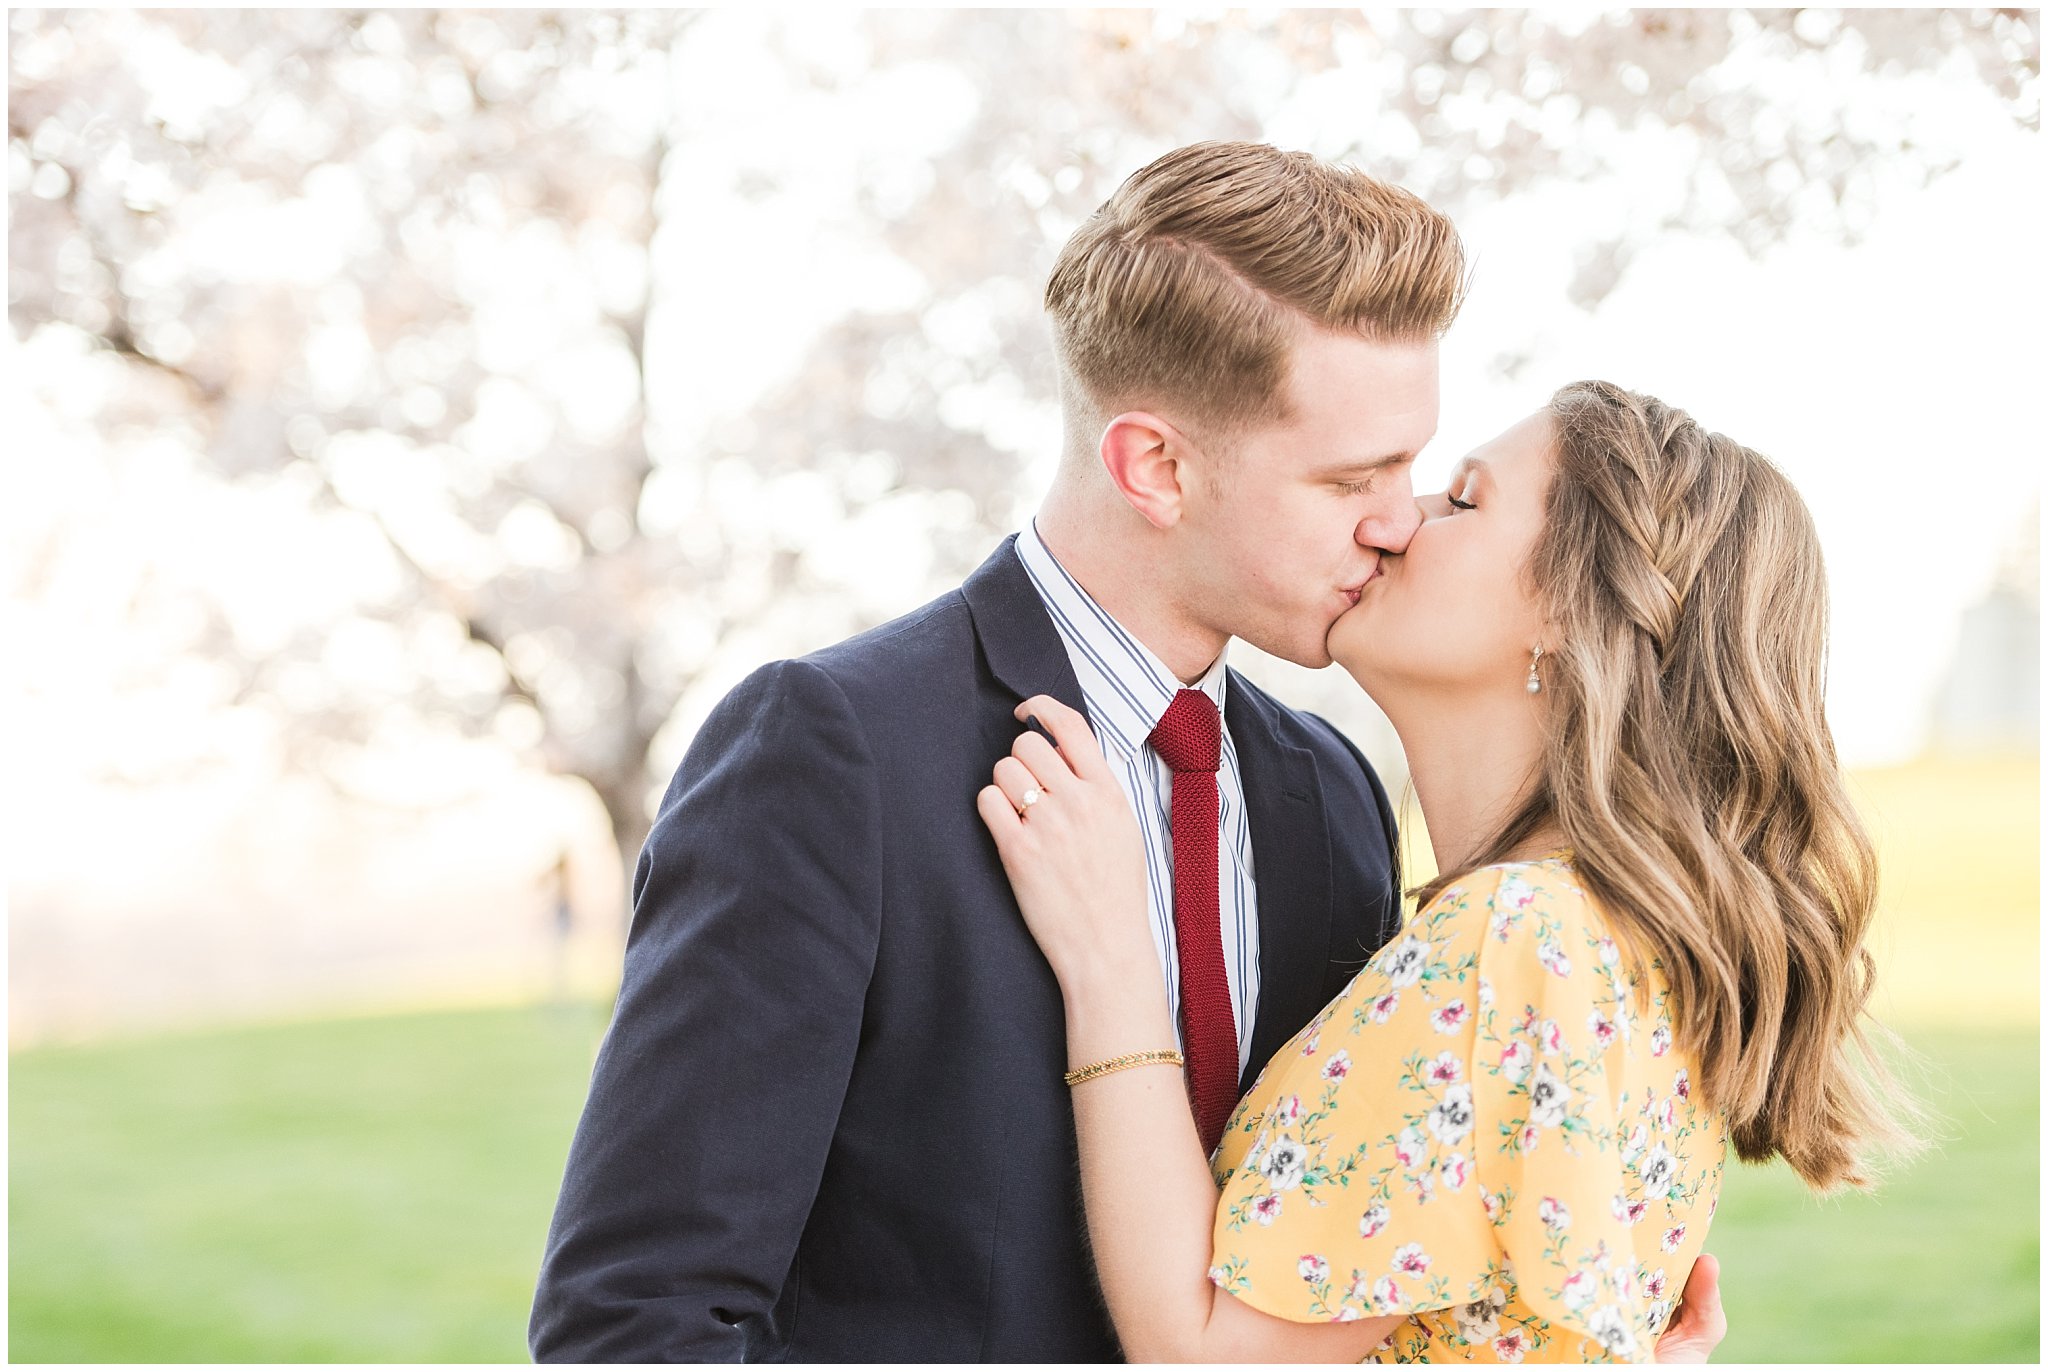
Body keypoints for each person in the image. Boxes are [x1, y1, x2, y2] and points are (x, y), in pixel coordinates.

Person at [529, 141, 1723, 1361]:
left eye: (1411, 468)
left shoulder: (1332, 796)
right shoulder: (839, 753)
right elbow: (637, 1318)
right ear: (1153, 465)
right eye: (1349, 476)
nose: (1393, 521)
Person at [979, 381, 1917, 1361]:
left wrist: (1109, 960)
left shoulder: (1511, 938)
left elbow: (1201, 1356)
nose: (1393, 521)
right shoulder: (1617, 941)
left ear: (1563, 608)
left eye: (1461, 501)